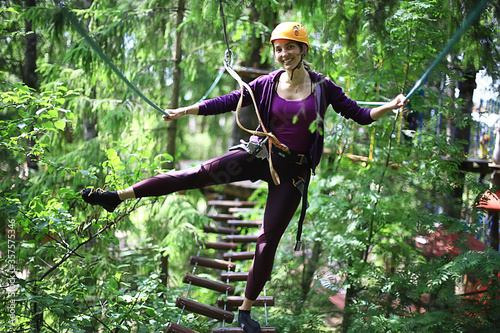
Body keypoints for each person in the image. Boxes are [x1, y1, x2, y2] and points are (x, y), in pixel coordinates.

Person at [81, 22, 407, 332]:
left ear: (303, 49)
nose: (284, 55)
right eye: (279, 49)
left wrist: (390, 107)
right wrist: (186, 110)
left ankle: (245, 310)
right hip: (259, 157)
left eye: (290, 48)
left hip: (292, 174)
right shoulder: (266, 83)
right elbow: (227, 102)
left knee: (267, 241)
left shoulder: (324, 87)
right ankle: (117, 197)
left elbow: (361, 116)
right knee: (193, 175)